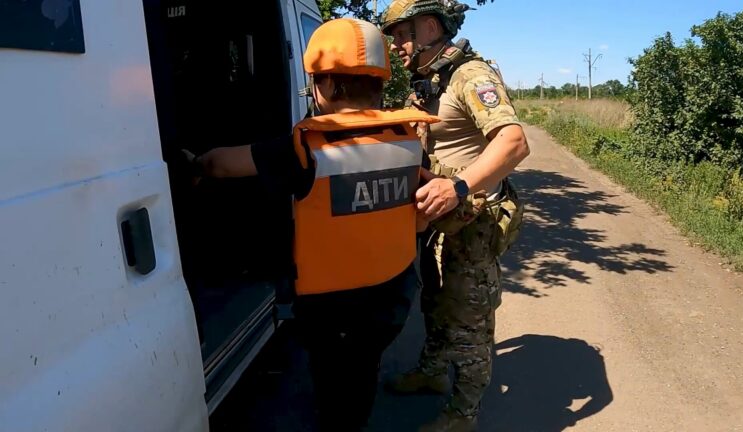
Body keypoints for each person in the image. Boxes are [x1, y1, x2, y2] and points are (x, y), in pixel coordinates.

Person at [181, 18, 439, 431]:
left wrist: (195, 165)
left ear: (327, 87)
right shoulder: (407, 139)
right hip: (393, 294)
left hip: (334, 312)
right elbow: (420, 214)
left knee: (337, 394)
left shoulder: (307, 148)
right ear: (378, 82)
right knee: (362, 374)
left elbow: (223, 165)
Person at [379, 1, 531, 431]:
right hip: (437, 222)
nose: (396, 44)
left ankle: (464, 414)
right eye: (392, 36)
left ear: (430, 27)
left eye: (402, 33)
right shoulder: (429, 82)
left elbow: (514, 143)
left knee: (470, 320)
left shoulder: (471, 76)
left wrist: (458, 185)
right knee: (434, 303)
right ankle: (431, 372)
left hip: (473, 221)